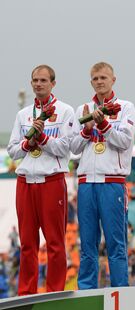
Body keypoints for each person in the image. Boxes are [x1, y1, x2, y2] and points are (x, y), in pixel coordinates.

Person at [7, 65, 74, 295]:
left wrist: (42, 138)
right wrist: (29, 143)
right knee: (27, 243)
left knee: (55, 243)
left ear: (53, 83)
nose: (38, 84)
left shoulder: (65, 111)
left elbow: (66, 147)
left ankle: (55, 291)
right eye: (35, 80)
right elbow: (13, 150)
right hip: (25, 182)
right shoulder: (23, 114)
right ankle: (26, 292)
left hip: (51, 181)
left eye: (43, 80)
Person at [71, 62, 135, 289]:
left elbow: (125, 142)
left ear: (113, 80)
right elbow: (74, 148)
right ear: (91, 82)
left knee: (116, 243)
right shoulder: (83, 110)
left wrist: (104, 124)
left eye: (103, 78)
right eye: (95, 78)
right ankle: (87, 291)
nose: (99, 82)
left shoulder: (125, 107)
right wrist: (88, 129)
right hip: (87, 182)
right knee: (87, 244)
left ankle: (120, 291)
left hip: (112, 182)